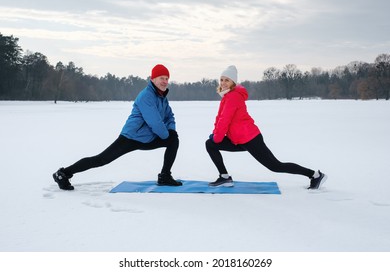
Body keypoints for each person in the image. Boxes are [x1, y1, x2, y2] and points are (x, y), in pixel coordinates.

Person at [53, 64, 182, 190]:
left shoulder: (162, 97)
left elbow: (170, 116)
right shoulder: (146, 96)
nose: (165, 82)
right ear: (153, 79)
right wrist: (167, 135)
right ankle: (63, 173)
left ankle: (165, 176)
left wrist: (171, 131)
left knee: (173, 140)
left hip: (148, 138)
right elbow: (155, 123)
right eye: (161, 78)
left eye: (166, 79)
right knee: (101, 159)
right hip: (131, 137)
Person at [205, 65, 327, 189]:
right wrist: (215, 135)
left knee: (275, 166)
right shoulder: (227, 96)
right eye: (222, 79)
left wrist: (218, 137)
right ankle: (224, 177)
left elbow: (224, 120)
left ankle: (315, 175)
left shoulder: (233, 96)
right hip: (238, 139)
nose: (223, 83)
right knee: (210, 144)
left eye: (227, 80)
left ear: (233, 82)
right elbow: (220, 118)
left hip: (250, 139)